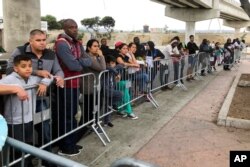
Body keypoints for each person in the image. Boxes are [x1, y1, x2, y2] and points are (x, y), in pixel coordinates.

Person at [6, 29, 64, 161]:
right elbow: (10, 70)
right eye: (38, 40)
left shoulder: (51, 54)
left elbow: (58, 70)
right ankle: (22, 161)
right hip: (22, 99)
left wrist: (60, 77)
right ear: (30, 40)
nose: (42, 43)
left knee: (45, 130)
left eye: (44, 40)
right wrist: (37, 72)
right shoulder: (20, 51)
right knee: (22, 133)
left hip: (41, 99)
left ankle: (47, 160)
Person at [0, 54, 53, 166]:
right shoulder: (9, 79)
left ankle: (27, 163)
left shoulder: (33, 78)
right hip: (14, 121)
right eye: (23, 66)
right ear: (15, 68)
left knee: (27, 144)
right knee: (17, 148)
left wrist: (44, 83)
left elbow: (50, 77)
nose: (28, 68)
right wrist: (16, 88)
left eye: (30, 65)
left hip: (29, 119)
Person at [54, 19, 92, 156]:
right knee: (67, 116)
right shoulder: (61, 44)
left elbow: (89, 60)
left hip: (75, 83)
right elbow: (73, 66)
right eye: (71, 27)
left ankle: (70, 142)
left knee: (73, 114)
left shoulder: (77, 43)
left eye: (76, 27)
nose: (75, 29)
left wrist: (79, 61)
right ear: (64, 28)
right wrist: (80, 62)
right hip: (66, 84)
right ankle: (66, 147)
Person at [79, 39, 106, 134]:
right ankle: (84, 128)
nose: (97, 48)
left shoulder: (94, 57)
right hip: (89, 87)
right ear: (88, 47)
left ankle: (94, 124)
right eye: (94, 46)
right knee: (88, 109)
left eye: (98, 46)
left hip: (96, 86)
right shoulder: (88, 57)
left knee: (97, 106)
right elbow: (102, 68)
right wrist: (102, 56)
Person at [115, 42, 138, 119]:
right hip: (120, 79)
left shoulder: (126, 57)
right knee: (126, 95)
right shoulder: (118, 56)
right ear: (119, 49)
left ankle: (120, 110)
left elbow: (135, 63)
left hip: (126, 79)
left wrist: (131, 54)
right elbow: (122, 64)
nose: (125, 50)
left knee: (125, 94)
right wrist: (132, 65)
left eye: (126, 49)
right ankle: (129, 112)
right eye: (123, 48)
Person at [102, 55, 123, 127]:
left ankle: (106, 121)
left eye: (114, 63)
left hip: (111, 89)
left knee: (108, 104)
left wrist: (115, 71)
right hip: (106, 90)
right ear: (107, 63)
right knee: (120, 94)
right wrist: (116, 72)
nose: (112, 65)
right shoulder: (106, 69)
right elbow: (108, 68)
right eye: (111, 63)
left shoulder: (113, 70)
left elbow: (121, 65)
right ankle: (112, 105)